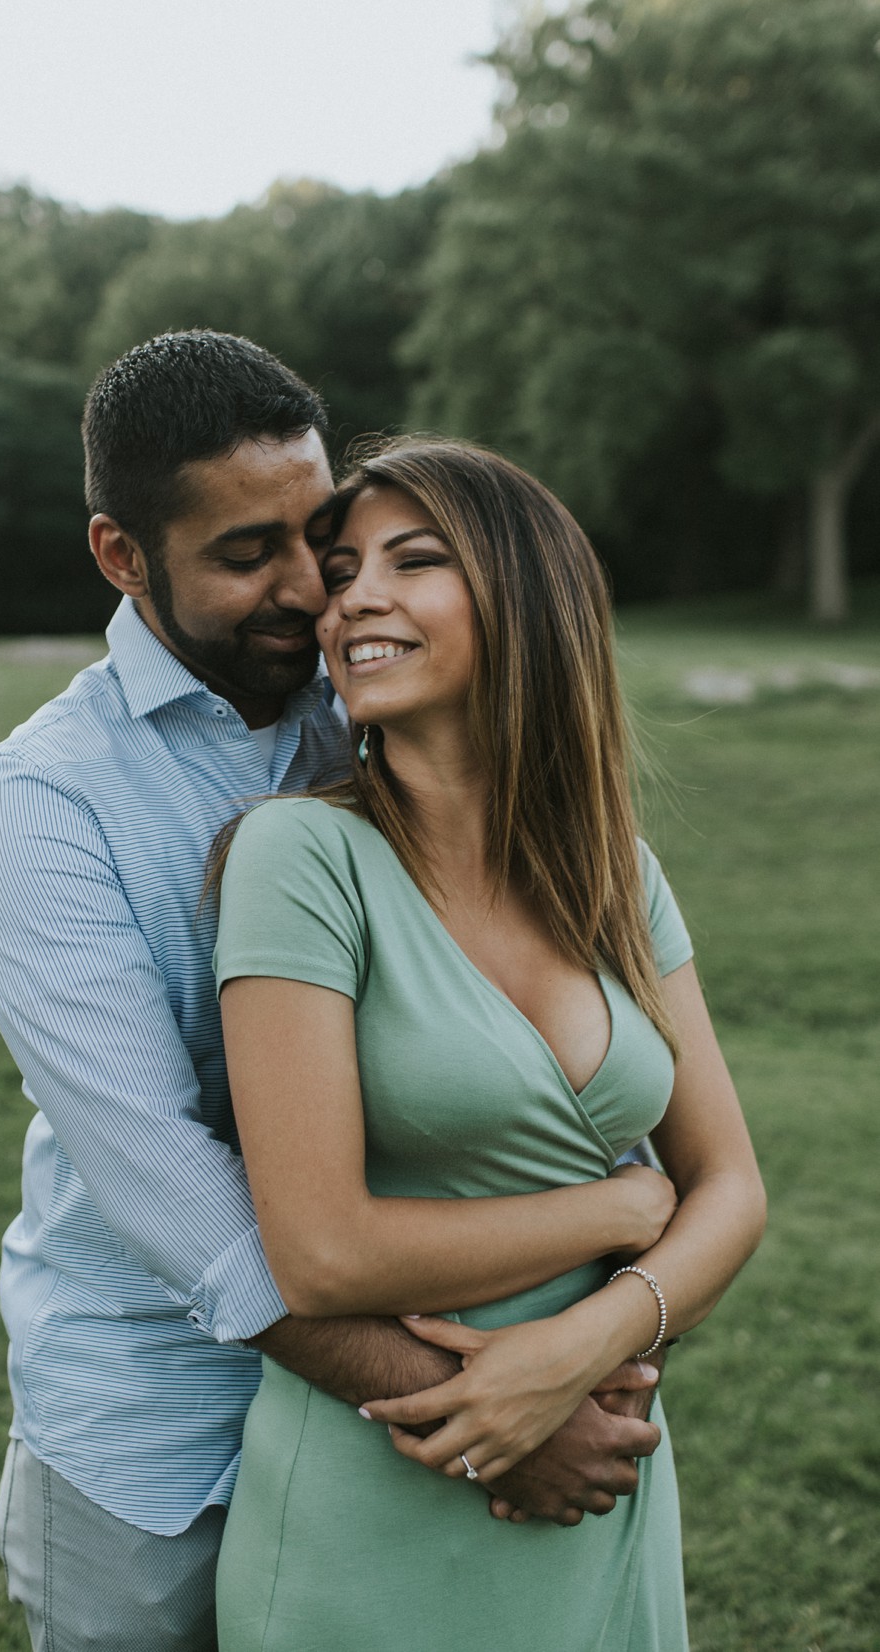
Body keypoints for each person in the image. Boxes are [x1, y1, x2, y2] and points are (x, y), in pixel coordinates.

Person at [0, 333, 673, 1652]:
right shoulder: (44, 799)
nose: (313, 592)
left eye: (326, 542)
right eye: (248, 556)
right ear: (123, 556)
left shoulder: (371, 710)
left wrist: (583, 1338)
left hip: (429, 1400)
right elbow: (167, 1183)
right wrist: (483, 1417)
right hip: (159, 1428)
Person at [212, 438, 767, 1650]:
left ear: (523, 597)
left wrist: (584, 1342)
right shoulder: (298, 859)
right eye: (343, 567)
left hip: (600, 1470)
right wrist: (619, 1215)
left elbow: (732, 1188)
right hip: (373, 1510)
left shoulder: (617, 874)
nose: (349, 596)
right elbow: (318, 1251)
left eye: (413, 561)